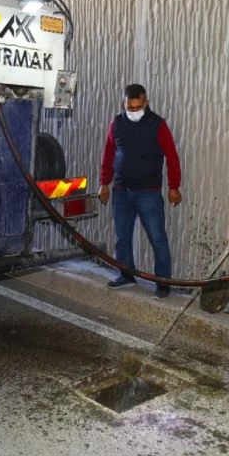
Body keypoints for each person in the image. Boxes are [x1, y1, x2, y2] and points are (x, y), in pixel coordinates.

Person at [98, 84, 183, 299]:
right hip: (121, 191)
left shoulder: (158, 125)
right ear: (124, 104)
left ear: (146, 103)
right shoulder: (117, 123)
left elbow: (171, 155)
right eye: (130, 107)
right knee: (122, 238)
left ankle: (163, 284)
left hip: (148, 193)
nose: (134, 111)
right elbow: (109, 153)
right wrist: (104, 183)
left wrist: (174, 186)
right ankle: (126, 275)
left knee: (158, 239)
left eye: (138, 107)